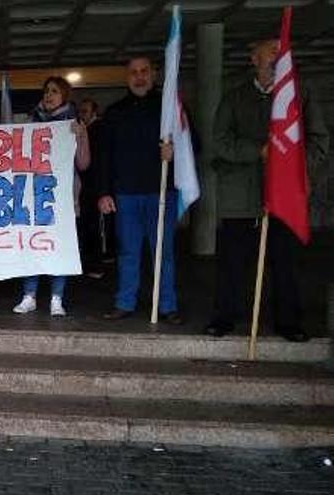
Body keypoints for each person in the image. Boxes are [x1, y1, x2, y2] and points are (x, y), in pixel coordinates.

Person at [205, 39, 329, 342]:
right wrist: (256, 150)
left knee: (285, 261)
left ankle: (289, 321)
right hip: (241, 195)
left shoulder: (301, 97)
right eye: (271, 50)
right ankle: (225, 317)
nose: (277, 55)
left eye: (282, 51)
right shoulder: (235, 98)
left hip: (284, 194)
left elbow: (318, 142)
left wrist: (295, 168)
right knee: (233, 262)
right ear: (253, 57)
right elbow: (220, 141)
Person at [95, 57, 181, 324]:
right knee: (128, 252)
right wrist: (103, 192)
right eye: (133, 73)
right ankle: (125, 302)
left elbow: (194, 146)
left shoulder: (171, 109)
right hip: (125, 194)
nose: (139, 77)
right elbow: (103, 156)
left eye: (144, 71)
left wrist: (174, 150)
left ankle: (167, 306)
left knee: (162, 253)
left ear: (154, 75)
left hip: (161, 192)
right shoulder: (114, 113)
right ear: (127, 77)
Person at [12, 77, 90, 316]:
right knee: (32, 243)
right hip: (34, 194)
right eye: (46, 91)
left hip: (64, 196)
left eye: (55, 91)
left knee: (59, 246)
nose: (49, 95)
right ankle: (30, 295)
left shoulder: (74, 124)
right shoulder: (31, 122)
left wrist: (80, 136)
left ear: (64, 96)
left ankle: (57, 298)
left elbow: (84, 164)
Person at [77, 98, 109, 279]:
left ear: (94, 112)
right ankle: (90, 262)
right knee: (87, 225)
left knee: (93, 226)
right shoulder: (85, 130)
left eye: (85, 111)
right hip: (85, 186)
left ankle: (96, 264)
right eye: (80, 111)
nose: (82, 115)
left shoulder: (98, 130)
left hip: (94, 186)